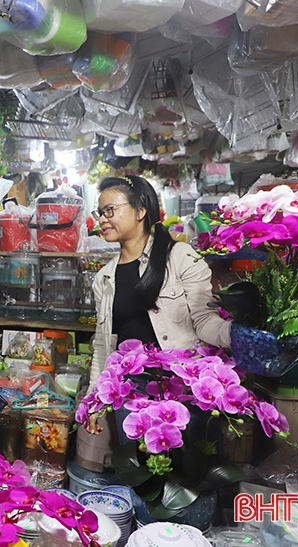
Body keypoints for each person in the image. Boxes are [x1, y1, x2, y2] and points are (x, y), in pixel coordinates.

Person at [84, 175, 231, 435]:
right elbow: (102, 344)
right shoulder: (104, 278)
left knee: (191, 470)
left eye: (110, 210)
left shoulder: (180, 257)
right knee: (139, 472)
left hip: (184, 385)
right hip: (130, 391)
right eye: (100, 212)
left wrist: (237, 335)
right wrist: (95, 399)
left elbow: (204, 320)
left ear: (140, 211)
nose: (102, 219)